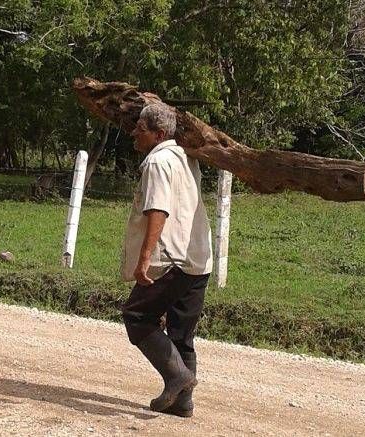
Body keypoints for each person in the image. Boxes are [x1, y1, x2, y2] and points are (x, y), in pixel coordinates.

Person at [120, 103, 213, 417]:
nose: (134, 133)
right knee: (181, 333)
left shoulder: (158, 161)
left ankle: (177, 377)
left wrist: (144, 259)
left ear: (158, 134)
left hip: (171, 258)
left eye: (140, 129)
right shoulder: (187, 157)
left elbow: (157, 210)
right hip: (199, 257)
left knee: (137, 316)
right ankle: (182, 403)